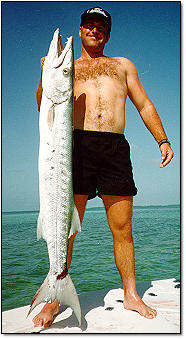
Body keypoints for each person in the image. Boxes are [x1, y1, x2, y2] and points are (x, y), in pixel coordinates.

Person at [33, 7, 174, 328]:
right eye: (89, 25)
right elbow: (44, 105)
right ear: (80, 30)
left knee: (123, 229)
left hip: (114, 149)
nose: (95, 30)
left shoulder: (123, 66)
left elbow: (144, 103)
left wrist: (163, 140)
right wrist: (44, 77)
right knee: (65, 228)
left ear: (107, 34)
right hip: (76, 149)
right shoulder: (68, 66)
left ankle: (131, 294)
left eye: (101, 27)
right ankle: (54, 297)